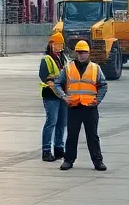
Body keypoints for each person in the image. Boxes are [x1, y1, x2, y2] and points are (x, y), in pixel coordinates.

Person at [51, 40, 108, 171]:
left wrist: (97, 100)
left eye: (84, 52)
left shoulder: (95, 68)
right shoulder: (68, 68)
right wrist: (64, 97)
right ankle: (68, 160)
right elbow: (57, 83)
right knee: (72, 135)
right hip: (74, 107)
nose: (82, 55)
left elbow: (103, 85)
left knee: (92, 136)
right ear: (76, 53)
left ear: (89, 53)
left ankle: (98, 161)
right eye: (80, 52)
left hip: (90, 107)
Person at [39, 32, 68, 162]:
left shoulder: (63, 58)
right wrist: (56, 81)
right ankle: (46, 151)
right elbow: (45, 76)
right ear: (51, 44)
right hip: (51, 95)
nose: (59, 46)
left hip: (62, 95)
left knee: (62, 123)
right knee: (51, 122)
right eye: (57, 44)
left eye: (61, 44)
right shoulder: (47, 59)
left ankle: (59, 148)